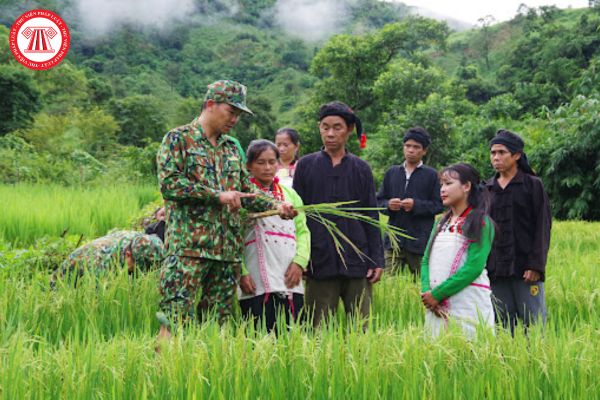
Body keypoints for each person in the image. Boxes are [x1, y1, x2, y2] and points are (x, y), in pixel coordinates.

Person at [155, 80, 295, 341]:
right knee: (174, 317)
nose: (234, 119)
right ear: (210, 105)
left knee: (216, 324)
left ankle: (207, 375)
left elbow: (245, 190)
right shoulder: (178, 139)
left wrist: (277, 206)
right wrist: (216, 196)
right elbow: (170, 184)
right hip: (188, 250)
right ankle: (164, 374)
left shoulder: (232, 147)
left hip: (227, 253)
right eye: (231, 112)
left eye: (238, 115)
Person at [293, 101, 384, 328]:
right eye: (325, 127)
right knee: (318, 328)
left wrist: (376, 260)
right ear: (319, 128)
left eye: (337, 127)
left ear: (349, 129)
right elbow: (298, 217)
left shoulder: (361, 168)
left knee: (361, 327)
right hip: (319, 259)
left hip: (357, 258)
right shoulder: (305, 166)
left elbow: (371, 216)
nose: (330, 134)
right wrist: (300, 258)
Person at [238, 140, 310, 333]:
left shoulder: (290, 195)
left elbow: (303, 231)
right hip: (254, 280)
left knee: (292, 333)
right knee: (259, 334)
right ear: (248, 166)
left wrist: (300, 262)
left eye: (272, 162)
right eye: (261, 162)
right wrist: (241, 272)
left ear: (279, 164)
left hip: (289, 274)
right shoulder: (243, 196)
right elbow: (231, 237)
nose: (267, 168)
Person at [485, 130, 551, 333]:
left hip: (525, 269)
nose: (496, 157)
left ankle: (538, 363)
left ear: (516, 155)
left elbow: (543, 226)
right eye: (493, 152)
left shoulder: (532, 185)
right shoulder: (486, 188)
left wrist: (535, 265)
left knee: (534, 324)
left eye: (502, 152)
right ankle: (508, 364)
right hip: (495, 270)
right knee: (503, 327)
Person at [421, 163, 495, 338]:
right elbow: (425, 260)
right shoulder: (440, 222)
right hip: (435, 304)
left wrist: (438, 294)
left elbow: (473, 267)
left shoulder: (481, 222)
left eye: (448, 184)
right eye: (441, 185)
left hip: (467, 300)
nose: (442, 189)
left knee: (470, 352)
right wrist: (427, 294)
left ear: (466, 186)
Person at [377, 127, 443, 275]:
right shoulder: (392, 172)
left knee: (422, 284)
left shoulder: (431, 175)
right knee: (388, 282)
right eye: (407, 146)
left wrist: (416, 205)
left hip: (419, 241)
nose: (411, 150)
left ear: (424, 151)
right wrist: (388, 205)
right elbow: (378, 202)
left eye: (416, 147)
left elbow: (438, 206)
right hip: (393, 241)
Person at [53, 230, 163, 286]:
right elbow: (98, 304)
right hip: (64, 282)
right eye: (138, 267)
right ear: (128, 255)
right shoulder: (100, 263)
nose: (144, 273)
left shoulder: (143, 242)